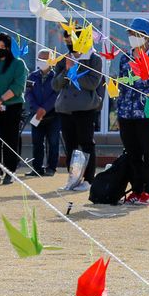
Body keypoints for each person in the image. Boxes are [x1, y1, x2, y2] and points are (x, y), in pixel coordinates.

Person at [115, 18, 149, 204]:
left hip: (148, 114)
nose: (132, 37)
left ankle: (148, 191)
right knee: (132, 153)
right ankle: (136, 190)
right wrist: (118, 112)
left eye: (136, 34)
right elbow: (121, 86)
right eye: (130, 34)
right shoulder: (124, 57)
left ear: (147, 37)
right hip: (126, 114)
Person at [53, 31, 103, 189]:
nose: (69, 43)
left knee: (86, 143)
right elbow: (55, 85)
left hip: (85, 108)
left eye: (71, 39)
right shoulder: (64, 59)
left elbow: (92, 84)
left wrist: (75, 70)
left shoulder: (94, 59)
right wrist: (66, 70)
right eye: (66, 40)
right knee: (70, 145)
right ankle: (73, 178)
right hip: (66, 109)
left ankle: (88, 179)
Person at [0, 33, 28, 182]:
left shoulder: (18, 64)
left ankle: (9, 173)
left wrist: (0, 100)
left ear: (8, 48)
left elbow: (18, 86)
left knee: (10, 141)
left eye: (2, 47)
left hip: (11, 108)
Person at [25, 49, 60, 176]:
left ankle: (51, 168)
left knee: (53, 142)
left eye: (44, 60)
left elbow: (56, 95)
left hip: (53, 115)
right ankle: (37, 168)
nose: (41, 62)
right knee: (37, 142)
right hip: (36, 115)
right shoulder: (31, 76)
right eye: (39, 59)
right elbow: (28, 94)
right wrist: (36, 108)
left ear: (51, 61)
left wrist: (45, 109)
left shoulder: (56, 77)